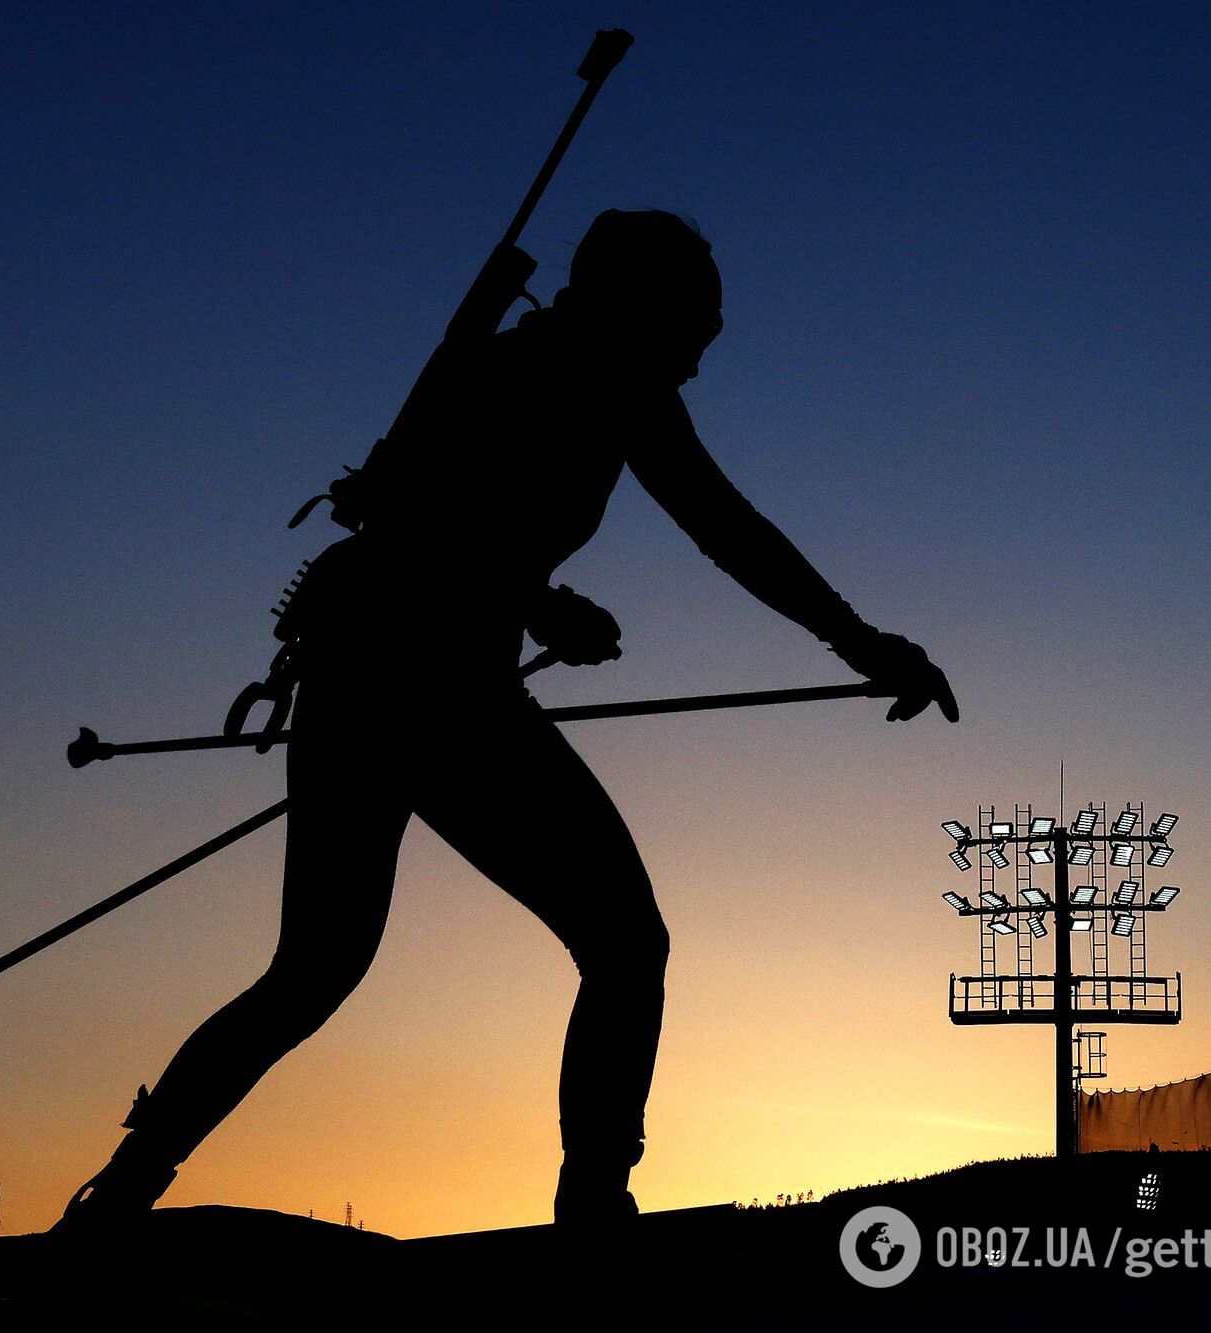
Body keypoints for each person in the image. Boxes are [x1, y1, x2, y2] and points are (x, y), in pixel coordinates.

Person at [56, 209, 956, 1235]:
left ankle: (123, 1188)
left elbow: (501, 524)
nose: (699, 364)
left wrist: (538, 605)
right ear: (643, 310)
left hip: (362, 685)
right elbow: (502, 533)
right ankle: (592, 1208)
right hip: (437, 693)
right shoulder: (591, 381)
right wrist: (548, 608)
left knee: (313, 972)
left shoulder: (546, 369)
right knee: (621, 941)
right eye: (694, 332)